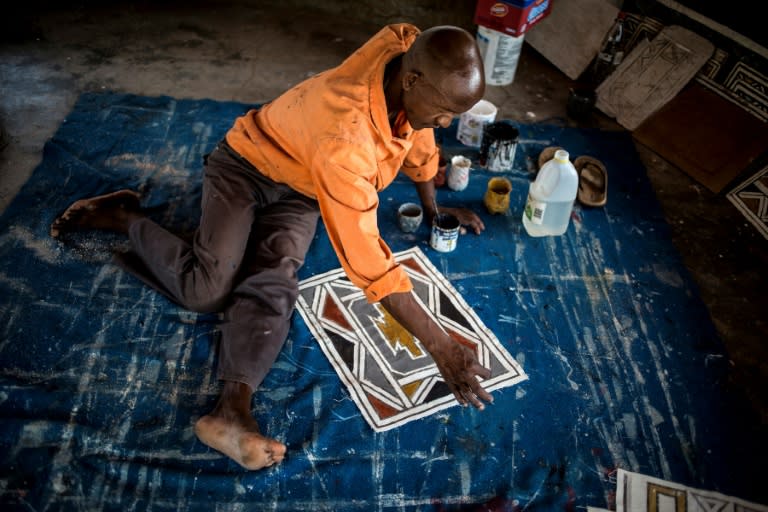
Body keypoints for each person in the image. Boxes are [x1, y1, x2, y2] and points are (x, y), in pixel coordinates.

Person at [50, 23, 493, 471]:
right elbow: (370, 265)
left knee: (276, 279)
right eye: (443, 110)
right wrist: (443, 348)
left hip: (304, 187)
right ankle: (126, 217)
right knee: (204, 290)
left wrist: (434, 209)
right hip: (246, 164)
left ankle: (231, 410)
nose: (445, 123)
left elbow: (419, 143)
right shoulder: (347, 138)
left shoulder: (405, 53)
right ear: (412, 81)